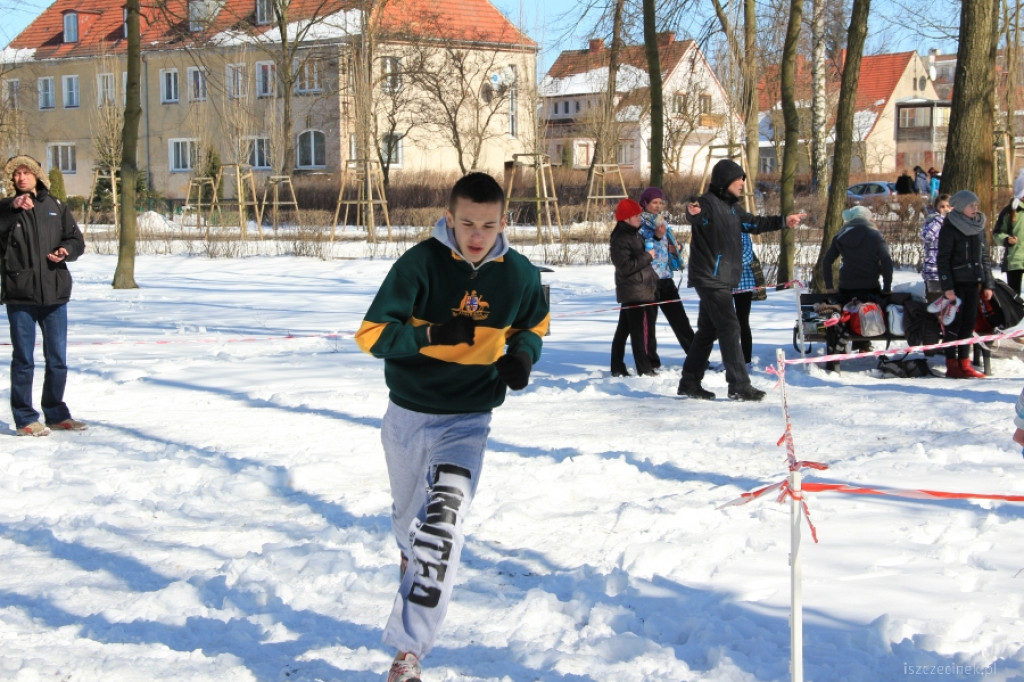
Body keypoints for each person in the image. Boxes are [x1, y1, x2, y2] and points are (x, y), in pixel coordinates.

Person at [354, 172, 549, 682]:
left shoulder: (519, 274)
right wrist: (434, 333)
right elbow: (372, 335)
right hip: (409, 416)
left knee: (443, 523)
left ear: (503, 221)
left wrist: (523, 359)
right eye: (466, 224)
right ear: (449, 219)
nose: (477, 235)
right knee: (410, 525)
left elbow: (534, 324)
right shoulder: (419, 264)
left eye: (488, 224)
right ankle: (408, 553)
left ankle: (408, 653)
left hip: (467, 419)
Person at [678, 159, 803, 401]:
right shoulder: (707, 204)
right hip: (710, 276)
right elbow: (697, 216)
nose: (742, 184)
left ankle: (689, 382)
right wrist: (691, 213)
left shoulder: (734, 210)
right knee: (730, 326)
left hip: (722, 277)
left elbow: (754, 223)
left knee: (708, 330)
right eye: (738, 180)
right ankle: (738, 385)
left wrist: (783, 221)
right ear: (725, 181)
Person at [0, 155, 87, 437]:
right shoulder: (6, 208)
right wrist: (12, 209)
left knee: (57, 359)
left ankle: (56, 413)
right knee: (23, 360)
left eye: (26, 173)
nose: (21, 178)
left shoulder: (56, 206)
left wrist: (66, 250)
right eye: (16, 175)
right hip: (20, 296)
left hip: (54, 294)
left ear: (37, 175)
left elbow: (76, 240)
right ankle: (25, 417)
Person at [936, 190, 993, 379]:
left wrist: (988, 284)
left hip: (973, 282)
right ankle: (952, 364)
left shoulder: (978, 226)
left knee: (969, 324)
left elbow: (984, 257)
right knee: (954, 325)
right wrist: (947, 287)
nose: (975, 209)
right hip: (956, 284)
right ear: (961, 207)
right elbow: (943, 259)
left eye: (976, 205)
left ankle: (964, 363)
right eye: (971, 205)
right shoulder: (950, 227)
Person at [637, 186, 694, 367]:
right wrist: (655, 236)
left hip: (666, 277)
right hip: (648, 279)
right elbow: (639, 246)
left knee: (681, 321)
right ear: (645, 203)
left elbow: (668, 243)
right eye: (654, 202)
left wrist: (676, 247)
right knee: (649, 324)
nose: (658, 206)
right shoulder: (638, 222)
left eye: (660, 202)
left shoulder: (663, 221)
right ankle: (650, 363)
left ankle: (696, 358)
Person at [609, 198, 659, 377]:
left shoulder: (634, 234)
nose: (639, 218)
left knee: (623, 330)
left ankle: (617, 366)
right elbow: (625, 266)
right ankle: (644, 368)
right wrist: (647, 257)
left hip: (639, 289)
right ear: (626, 218)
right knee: (638, 332)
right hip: (633, 291)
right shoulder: (621, 238)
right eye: (636, 215)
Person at [822, 204, 894, 303]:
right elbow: (886, 261)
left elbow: (826, 261)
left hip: (846, 286)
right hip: (871, 286)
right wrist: (887, 288)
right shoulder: (875, 236)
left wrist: (829, 286)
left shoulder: (840, 236)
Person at [733, 231, 765, 365]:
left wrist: (726, 261)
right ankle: (730, 359)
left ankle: (746, 360)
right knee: (726, 324)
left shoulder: (742, 233)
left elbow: (747, 256)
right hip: (723, 284)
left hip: (743, 283)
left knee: (742, 322)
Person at [994, 182, 1024, 295]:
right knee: (1014, 296)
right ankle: (1016, 313)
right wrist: (1007, 239)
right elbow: (997, 233)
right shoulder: (1009, 211)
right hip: (1015, 260)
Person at [921, 193, 952, 302]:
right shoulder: (932, 221)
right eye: (942, 206)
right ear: (937, 208)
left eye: (948, 206)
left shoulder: (955, 223)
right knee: (935, 304)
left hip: (950, 272)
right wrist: (940, 220)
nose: (946, 209)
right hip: (934, 271)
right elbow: (927, 237)